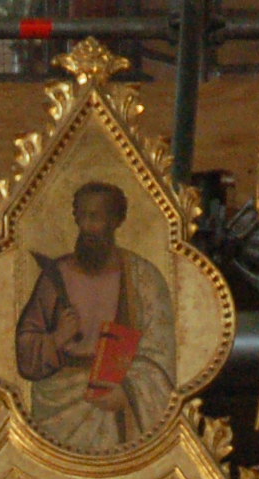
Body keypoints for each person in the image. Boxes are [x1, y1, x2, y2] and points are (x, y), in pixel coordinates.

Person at [12, 181, 176, 455]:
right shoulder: (56, 276)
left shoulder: (143, 278)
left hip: (115, 401)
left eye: (96, 217)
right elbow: (25, 346)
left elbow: (161, 353)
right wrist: (57, 338)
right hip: (58, 407)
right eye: (82, 216)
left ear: (116, 220)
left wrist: (127, 391)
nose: (87, 226)